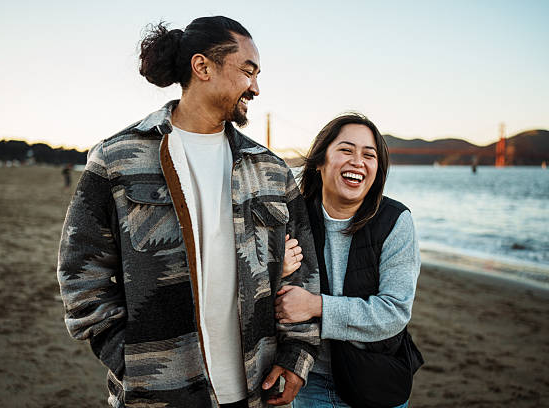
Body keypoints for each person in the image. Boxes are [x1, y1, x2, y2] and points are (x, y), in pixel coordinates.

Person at [57, 16, 319, 408]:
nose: (256, 87)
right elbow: (81, 273)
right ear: (203, 67)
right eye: (248, 71)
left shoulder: (270, 169)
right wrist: (129, 359)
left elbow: (305, 273)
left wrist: (297, 356)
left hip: (256, 386)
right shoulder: (117, 159)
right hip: (159, 393)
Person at [276, 113, 423, 408]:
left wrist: (316, 305)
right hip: (309, 381)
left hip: (376, 382)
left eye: (369, 155)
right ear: (320, 161)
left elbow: (393, 313)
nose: (358, 161)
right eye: (346, 150)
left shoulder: (395, 221)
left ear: (377, 169)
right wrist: (274, 271)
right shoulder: (290, 217)